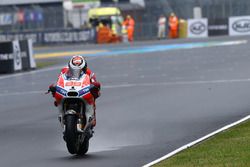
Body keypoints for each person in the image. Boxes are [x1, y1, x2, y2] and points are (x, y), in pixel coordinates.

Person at [48, 55, 101, 127]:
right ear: (70, 67)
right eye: (73, 69)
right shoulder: (63, 72)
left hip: (82, 91)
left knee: (93, 97)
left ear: (84, 67)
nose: (76, 71)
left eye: (80, 69)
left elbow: (95, 84)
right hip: (69, 90)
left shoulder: (90, 73)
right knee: (56, 97)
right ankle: (63, 114)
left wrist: (95, 87)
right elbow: (59, 82)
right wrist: (53, 87)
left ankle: (92, 118)